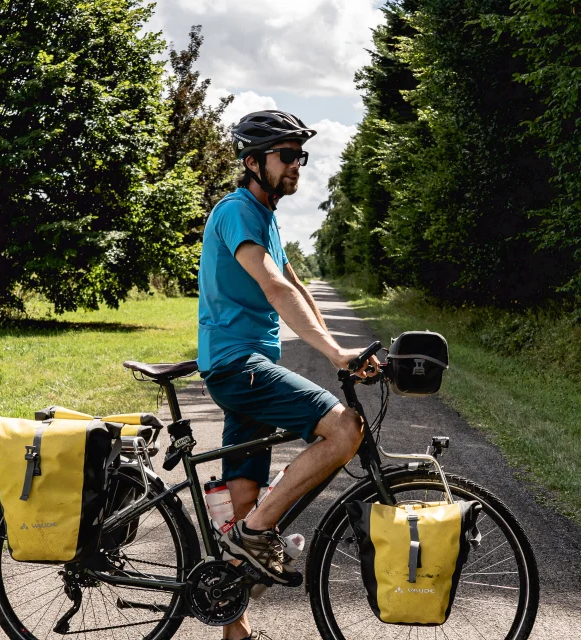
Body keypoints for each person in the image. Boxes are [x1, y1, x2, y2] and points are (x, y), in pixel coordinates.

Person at [197, 110, 379, 640]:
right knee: (344, 429)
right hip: (239, 367)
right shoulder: (238, 212)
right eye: (286, 154)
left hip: (248, 369)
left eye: (300, 154)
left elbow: (297, 291)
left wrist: (341, 352)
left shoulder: (267, 217)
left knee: (244, 501)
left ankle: (237, 631)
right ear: (253, 162)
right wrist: (333, 353)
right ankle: (254, 533)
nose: (297, 164)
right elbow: (274, 287)